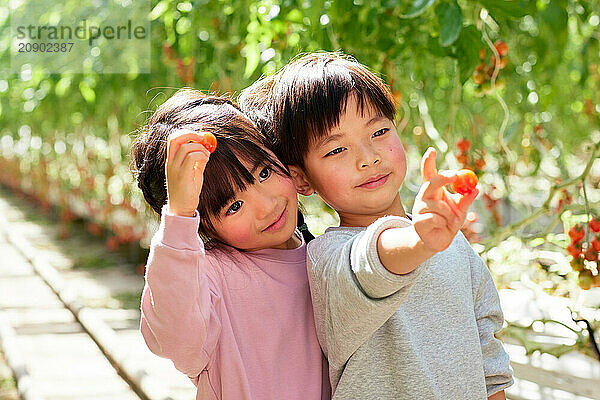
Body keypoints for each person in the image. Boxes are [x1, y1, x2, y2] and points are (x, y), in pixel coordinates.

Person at [239, 52, 513, 400]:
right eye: (336, 150)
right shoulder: (326, 261)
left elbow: (489, 363)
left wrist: (426, 238)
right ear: (301, 179)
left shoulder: (453, 244)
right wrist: (418, 239)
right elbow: (371, 264)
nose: (368, 157)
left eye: (379, 131)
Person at [130, 88, 330, 400]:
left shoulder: (324, 254)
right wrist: (180, 217)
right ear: (205, 225)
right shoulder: (211, 277)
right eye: (233, 206)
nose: (265, 206)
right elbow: (176, 339)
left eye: (263, 172)